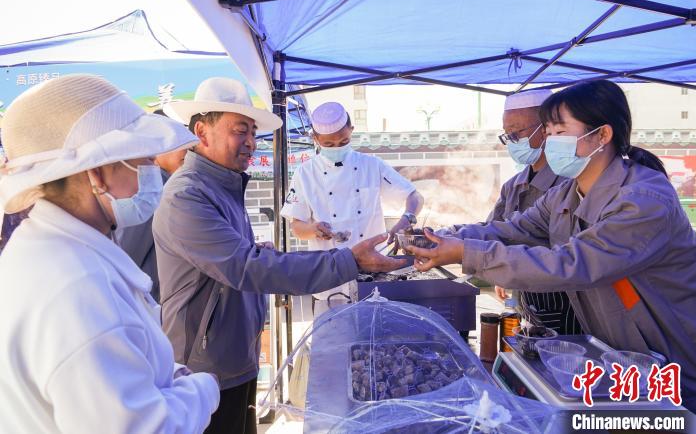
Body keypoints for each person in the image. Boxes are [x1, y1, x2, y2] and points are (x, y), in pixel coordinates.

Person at [407, 80, 696, 415]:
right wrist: (444, 237)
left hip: (674, 356)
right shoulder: (566, 193)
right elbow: (514, 230)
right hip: (619, 355)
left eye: (560, 131)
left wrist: (465, 253)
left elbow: (572, 264)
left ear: (602, 135)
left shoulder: (644, 200)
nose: (550, 141)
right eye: (548, 131)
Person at [157, 77, 407, 434]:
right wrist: (349, 260)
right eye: (239, 131)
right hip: (205, 367)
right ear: (202, 131)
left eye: (253, 132)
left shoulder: (224, 185)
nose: (250, 142)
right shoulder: (188, 195)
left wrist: (255, 252)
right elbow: (245, 268)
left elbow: (231, 261)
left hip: (234, 356)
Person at [0, 75, 220, 433]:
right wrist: (202, 390)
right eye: (142, 158)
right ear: (97, 173)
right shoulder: (79, 288)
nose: (151, 169)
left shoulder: (43, 250)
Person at [281, 101, 424, 312]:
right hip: (329, 279)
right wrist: (313, 229)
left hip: (373, 275)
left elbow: (415, 196)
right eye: (329, 144)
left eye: (343, 141)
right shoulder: (305, 173)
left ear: (352, 130)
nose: (337, 148)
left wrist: (406, 220)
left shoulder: (371, 165)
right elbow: (297, 227)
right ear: (315, 138)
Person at [486, 89, 580, 335]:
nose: (512, 140)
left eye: (517, 132)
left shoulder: (569, 184)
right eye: (507, 135)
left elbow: (570, 255)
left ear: (546, 129)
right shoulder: (513, 185)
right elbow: (494, 231)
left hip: (564, 302)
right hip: (526, 300)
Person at [116, 108, 187, 302]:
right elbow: (129, 254)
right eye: (176, 141)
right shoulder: (153, 191)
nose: (186, 149)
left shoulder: (173, 185)